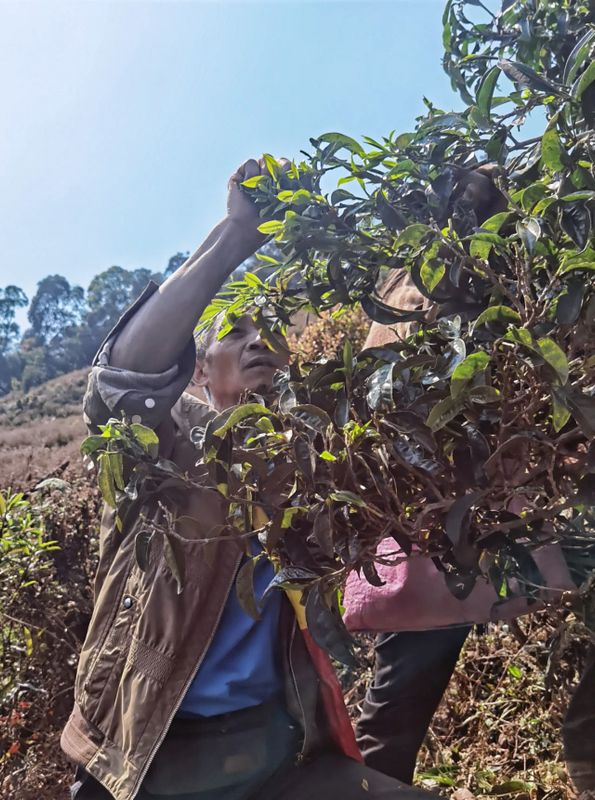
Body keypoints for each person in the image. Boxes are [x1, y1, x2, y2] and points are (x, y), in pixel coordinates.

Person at [61, 157, 435, 800]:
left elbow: (395, 392)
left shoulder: (311, 460)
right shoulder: (171, 447)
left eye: (269, 330)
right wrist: (235, 236)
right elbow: (120, 384)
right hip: (142, 762)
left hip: (276, 757)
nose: (258, 339)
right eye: (236, 330)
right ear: (200, 373)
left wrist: (441, 243)